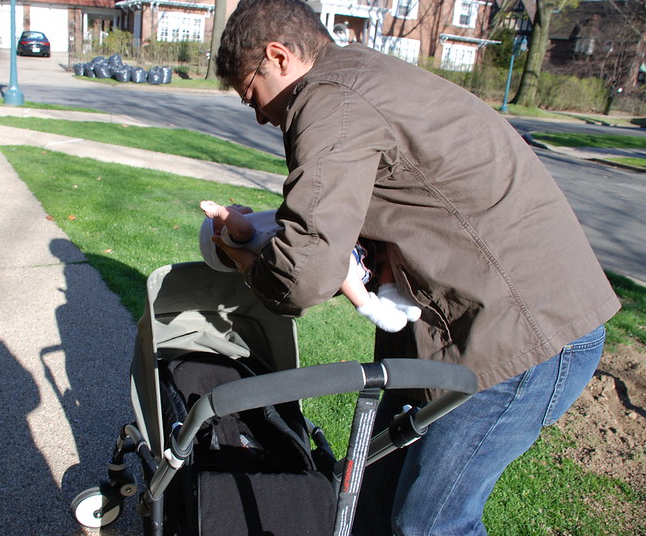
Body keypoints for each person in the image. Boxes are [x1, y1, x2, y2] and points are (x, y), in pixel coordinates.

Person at [212, 0, 621, 534]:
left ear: (278, 57)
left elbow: (305, 271)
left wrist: (247, 261)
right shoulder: (359, 76)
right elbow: (345, 238)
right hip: (463, 325)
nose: (262, 115)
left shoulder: (329, 100)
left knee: (428, 524)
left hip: (522, 333)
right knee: (365, 502)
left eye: (253, 95)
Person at [198, 199, 421, 332]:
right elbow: (241, 230)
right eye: (226, 211)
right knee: (342, 264)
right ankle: (370, 307)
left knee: (387, 249)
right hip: (331, 256)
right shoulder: (232, 238)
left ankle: (391, 295)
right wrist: (219, 211)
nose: (231, 205)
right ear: (217, 234)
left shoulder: (252, 241)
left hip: (346, 246)